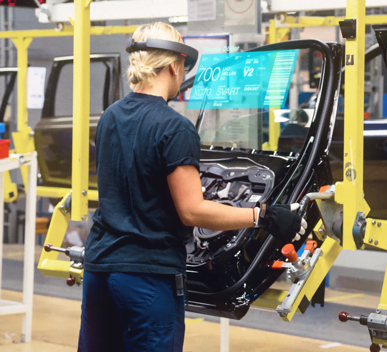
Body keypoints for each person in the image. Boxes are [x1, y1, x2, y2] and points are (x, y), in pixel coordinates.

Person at [78, 22, 307, 352]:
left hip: (100, 269)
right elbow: (192, 211)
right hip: (147, 277)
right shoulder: (174, 128)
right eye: (183, 66)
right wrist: (263, 216)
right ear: (174, 65)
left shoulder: (110, 117)